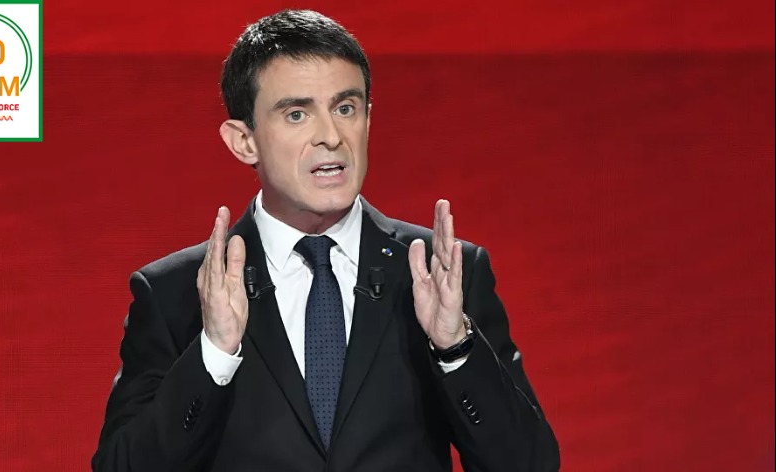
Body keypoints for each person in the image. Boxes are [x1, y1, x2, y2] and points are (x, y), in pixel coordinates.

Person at [92, 9, 559, 472]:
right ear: (243, 141)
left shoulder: (441, 271)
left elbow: (530, 464)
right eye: (297, 114)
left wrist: (455, 348)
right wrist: (213, 353)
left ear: (368, 120)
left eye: (345, 108)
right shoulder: (175, 292)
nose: (331, 137)